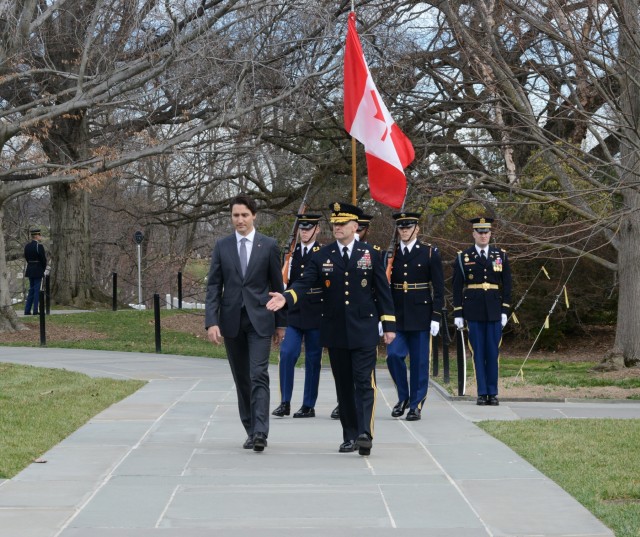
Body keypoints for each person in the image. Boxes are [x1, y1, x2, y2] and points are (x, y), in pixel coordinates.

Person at [267, 202, 395, 456]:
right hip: (336, 330)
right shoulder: (322, 255)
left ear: (355, 227)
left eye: (342, 223)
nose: (337, 227)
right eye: (335, 224)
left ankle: (364, 433)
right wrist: (287, 297)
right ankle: (349, 435)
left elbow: (382, 291)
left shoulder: (370, 254)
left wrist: (389, 324)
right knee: (344, 385)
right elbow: (304, 282)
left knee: (364, 382)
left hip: (364, 329)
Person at [205, 195, 285, 452]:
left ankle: (261, 431)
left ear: (254, 216)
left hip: (260, 320)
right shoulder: (222, 246)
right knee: (242, 378)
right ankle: (250, 429)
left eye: (244, 215)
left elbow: (277, 288)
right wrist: (211, 322)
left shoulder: (269, 245)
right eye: (235, 215)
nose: (239, 220)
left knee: (258, 373)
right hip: (231, 321)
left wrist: (280, 324)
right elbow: (214, 286)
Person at [386, 212, 445, 420]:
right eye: (401, 227)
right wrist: (383, 316)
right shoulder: (390, 255)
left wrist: (436, 316)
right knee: (393, 356)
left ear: (416, 229)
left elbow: (439, 289)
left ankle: (416, 404)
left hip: (421, 314)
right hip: (397, 315)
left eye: (408, 227)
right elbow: (383, 287)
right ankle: (403, 397)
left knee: (419, 363)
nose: (404, 231)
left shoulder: (429, 253)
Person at [452, 217, 512, 406]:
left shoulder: (500, 255)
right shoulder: (464, 257)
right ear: (474, 234)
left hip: (494, 310)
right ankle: (481, 392)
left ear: (490, 234)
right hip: (473, 310)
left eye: (486, 232)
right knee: (478, 352)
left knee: (492, 352)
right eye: (480, 232)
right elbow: (456, 287)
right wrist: (458, 313)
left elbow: (508, 285)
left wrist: (505, 310)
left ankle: (493, 392)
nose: (483, 235)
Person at [272, 214, 323, 419]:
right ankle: (285, 401)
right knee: (287, 354)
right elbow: (283, 282)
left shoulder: (323, 253)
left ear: (317, 229)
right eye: (302, 228)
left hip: (316, 311)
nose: (304, 231)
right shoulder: (290, 254)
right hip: (294, 312)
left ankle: (308, 405)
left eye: (308, 228)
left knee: (313, 360)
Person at [24, 228, 49, 315]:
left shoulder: (27, 246)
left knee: (31, 290)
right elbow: (43, 260)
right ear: (37, 236)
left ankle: (27, 310)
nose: (40, 236)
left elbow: (27, 258)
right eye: (39, 235)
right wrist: (43, 269)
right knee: (37, 290)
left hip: (30, 269)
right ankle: (35, 310)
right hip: (38, 269)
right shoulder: (39, 246)